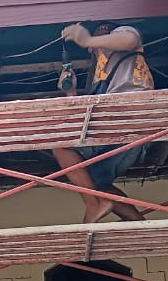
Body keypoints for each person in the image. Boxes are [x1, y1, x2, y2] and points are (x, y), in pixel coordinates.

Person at [52, 22, 154, 224]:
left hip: (128, 118)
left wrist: (88, 38)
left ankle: (93, 205)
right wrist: (71, 92)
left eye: (93, 46)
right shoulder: (104, 78)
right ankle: (138, 223)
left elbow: (130, 39)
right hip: (130, 134)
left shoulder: (123, 39)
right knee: (92, 182)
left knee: (60, 145)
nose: (91, 49)